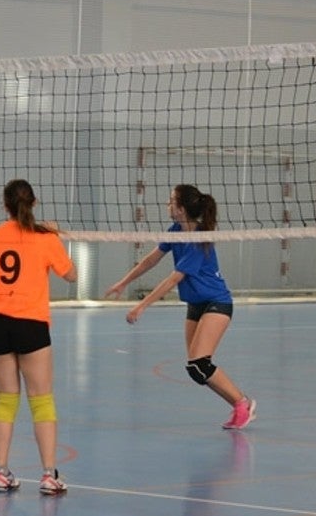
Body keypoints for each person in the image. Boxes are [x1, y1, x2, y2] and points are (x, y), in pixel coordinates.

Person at [104, 184, 256, 431]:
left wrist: (141, 307)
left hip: (217, 303)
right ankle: (240, 405)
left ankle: (242, 403)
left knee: (199, 363)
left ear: (182, 209)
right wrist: (123, 282)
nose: (167, 205)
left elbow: (173, 279)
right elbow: (150, 259)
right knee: (195, 369)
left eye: (171, 201)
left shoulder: (198, 240)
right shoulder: (175, 230)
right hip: (196, 305)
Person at [0, 179, 76, 495]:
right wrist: (54, 235)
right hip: (30, 323)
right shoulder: (45, 239)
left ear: (5, 205)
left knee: (6, 399)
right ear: (34, 202)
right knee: (41, 400)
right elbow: (71, 275)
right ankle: (48, 476)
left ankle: (1, 473)